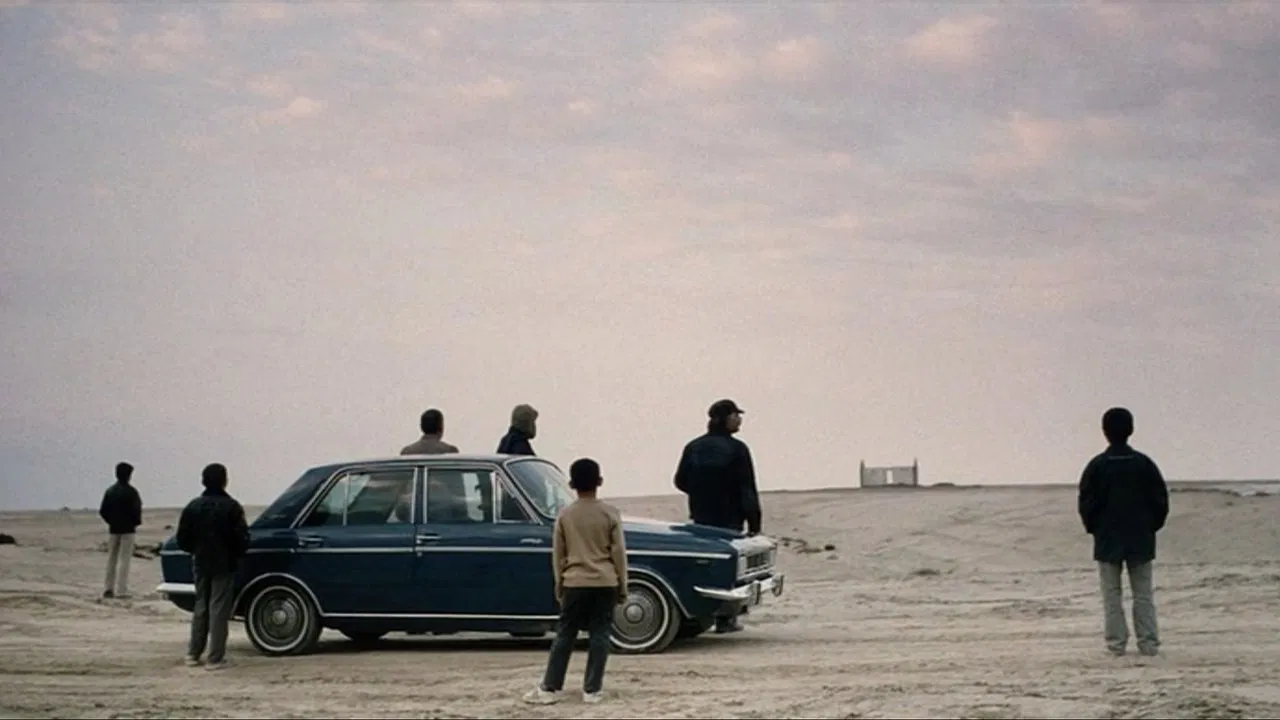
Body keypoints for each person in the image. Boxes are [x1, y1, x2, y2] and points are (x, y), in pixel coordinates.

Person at [523, 458, 627, 706]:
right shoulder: (610, 513)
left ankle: (550, 687)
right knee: (600, 633)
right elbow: (619, 553)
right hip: (605, 581)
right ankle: (592, 690)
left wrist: (559, 585)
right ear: (599, 481)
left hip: (575, 582)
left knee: (565, 634)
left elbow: (559, 555)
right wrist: (622, 584)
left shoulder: (565, 515)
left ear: (571, 484)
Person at [1077, 407, 1170, 657]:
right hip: (1140, 537)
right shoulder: (1144, 464)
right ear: (1131, 430)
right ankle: (1148, 642)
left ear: (1104, 431)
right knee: (1143, 594)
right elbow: (1160, 500)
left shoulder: (1097, 466)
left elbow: (1086, 502)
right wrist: (1151, 526)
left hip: (1108, 539)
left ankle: (1116, 644)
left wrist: (1094, 528)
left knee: (1111, 595)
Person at [673, 398, 762, 633]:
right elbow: (747, 488)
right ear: (725, 419)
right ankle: (726, 618)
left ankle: (705, 613)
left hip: (701, 517)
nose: (739, 419)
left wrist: (701, 492)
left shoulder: (693, 447)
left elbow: (680, 480)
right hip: (730, 518)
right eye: (735, 415)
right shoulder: (737, 449)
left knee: (706, 565)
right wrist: (755, 523)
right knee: (731, 567)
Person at [176, 463, 250, 670]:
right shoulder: (232, 507)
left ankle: (193, 653)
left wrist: (196, 550)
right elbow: (242, 538)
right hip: (224, 563)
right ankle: (215, 657)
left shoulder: (193, 507)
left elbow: (182, 539)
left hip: (201, 561)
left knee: (201, 605)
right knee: (218, 608)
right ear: (224, 481)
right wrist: (236, 553)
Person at [98, 462, 143, 600]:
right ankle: (121, 590)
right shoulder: (132, 492)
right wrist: (135, 523)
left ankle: (108, 588)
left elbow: (103, 511)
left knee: (111, 559)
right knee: (125, 560)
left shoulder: (110, 491)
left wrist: (111, 521)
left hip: (114, 529)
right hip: (128, 529)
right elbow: (137, 510)